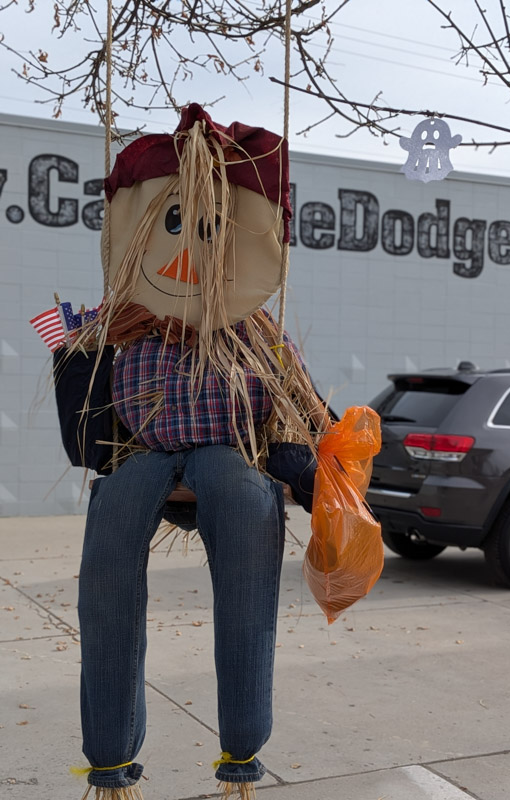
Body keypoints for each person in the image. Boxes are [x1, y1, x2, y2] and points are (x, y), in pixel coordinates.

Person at [56, 104, 328, 800]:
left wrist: (309, 473)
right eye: (171, 224)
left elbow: (294, 412)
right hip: (147, 457)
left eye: (208, 229)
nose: (187, 250)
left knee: (243, 509)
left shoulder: (257, 334)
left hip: (222, 455)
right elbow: (88, 414)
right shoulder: (127, 327)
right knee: (109, 552)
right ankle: (110, 758)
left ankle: (243, 747)